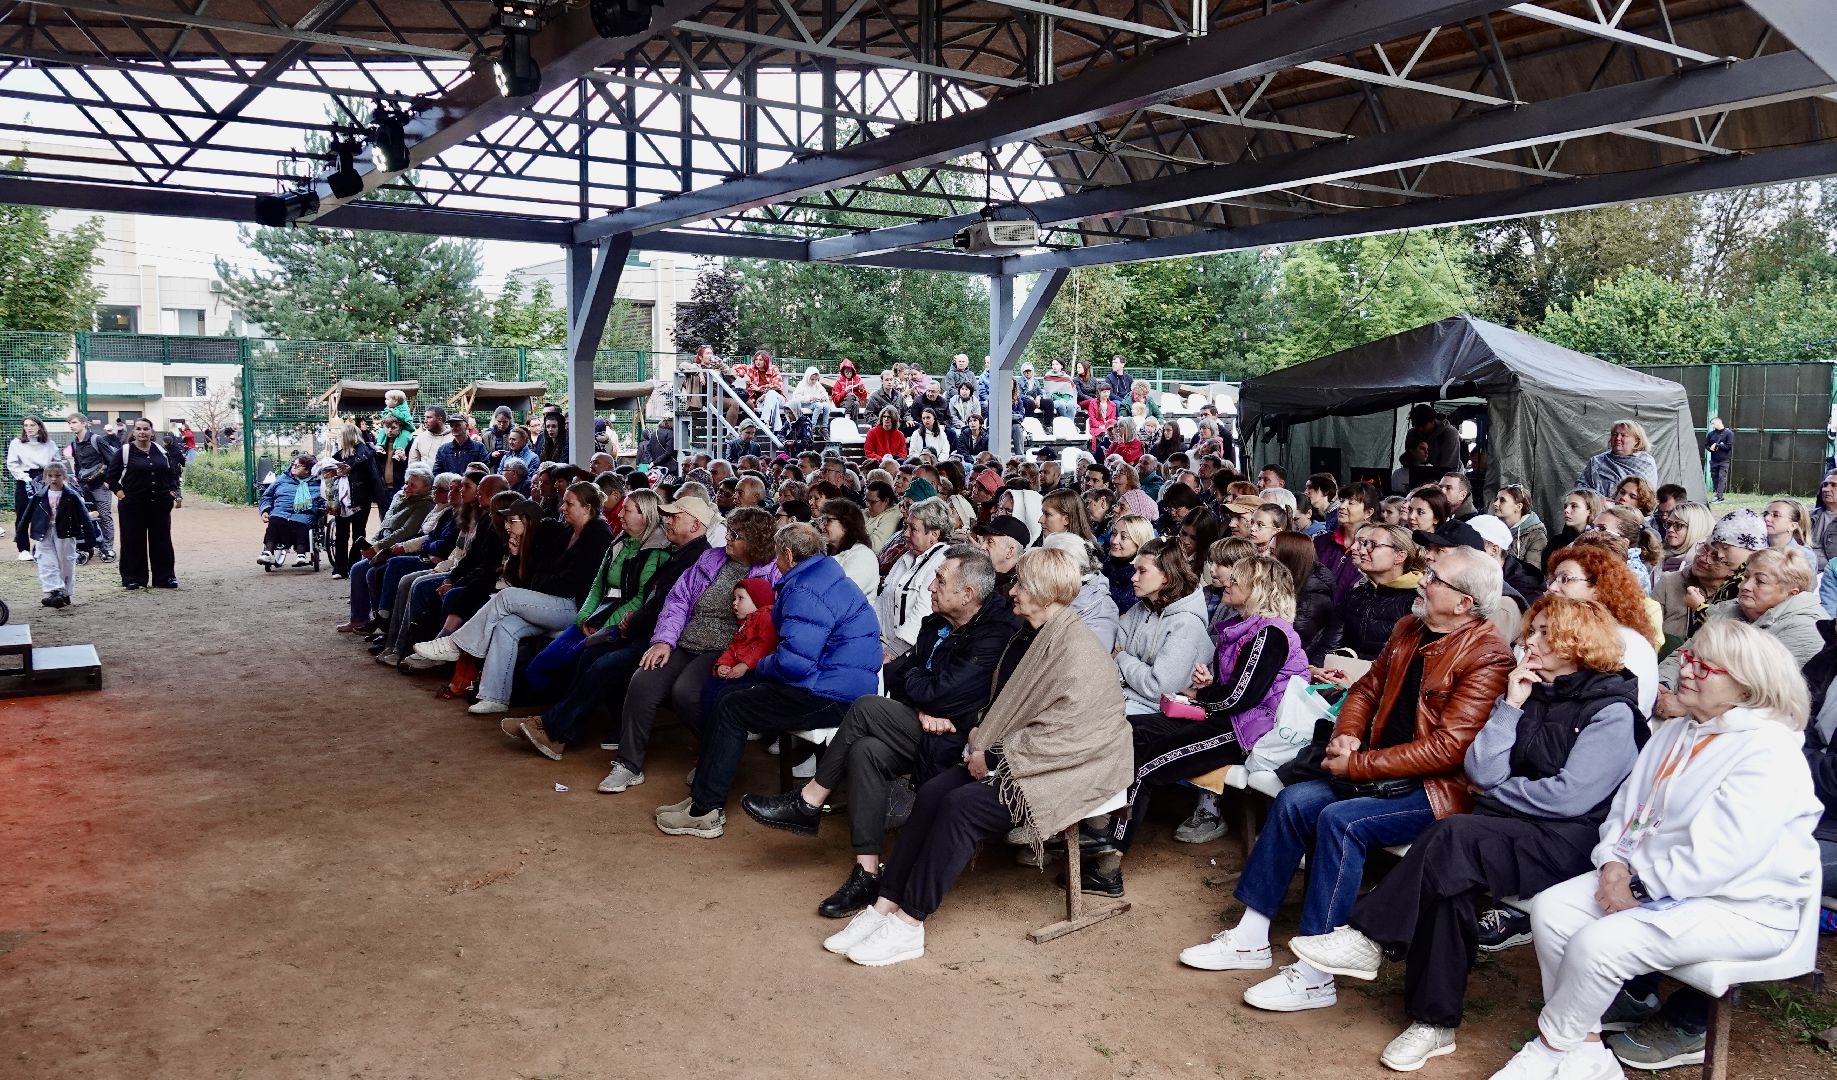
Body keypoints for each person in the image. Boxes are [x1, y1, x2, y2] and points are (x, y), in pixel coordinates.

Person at [1290, 597, 1642, 1074]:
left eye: (1541, 633)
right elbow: (1479, 766)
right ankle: (1433, 1024)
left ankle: (1371, 937)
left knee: (1453, 836)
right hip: (1509, 827)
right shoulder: (1527, 690)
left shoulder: (1610, 711)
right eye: (1530, 631)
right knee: (1451, 878)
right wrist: (1512, 706)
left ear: (1574, 644)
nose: (1527, 641)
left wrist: (1497, 792)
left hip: (1571, 841)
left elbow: (1568, 798)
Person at [1180, 547, 1514, 1015]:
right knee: (1296, 801)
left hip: (1436, 791)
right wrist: (1348, 736)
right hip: (1377, 772)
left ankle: (1317, 973)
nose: (1422, 580)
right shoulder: (1409, 629)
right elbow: (1364, 690)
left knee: (1341, 821)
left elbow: (1448, 751)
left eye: (1434, 578)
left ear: (1463, 603)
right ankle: (1251, 937)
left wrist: (1356, 766)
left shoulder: (1487, 656)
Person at [1487, 620, 1821, 1080]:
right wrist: (1611, 862)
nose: (1686, 670)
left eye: (1704, 667)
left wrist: (1640, 889)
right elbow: (1627, 807)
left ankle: (1548, 1048)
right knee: (1552, 911)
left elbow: (1723, 854)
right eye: (1689, 658)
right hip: (1651, 881)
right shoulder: (1679, 729)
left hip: (1742, 906)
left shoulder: (1768, 752)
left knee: (1600, 945)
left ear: (1744, 687)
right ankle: (1586, 1053)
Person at [822, 547, 1130, 967]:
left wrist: (995, 754)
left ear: (1042, 593)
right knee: (933, 793)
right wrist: (981, 738)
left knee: (961, 808)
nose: (1012, 591)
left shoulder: (1074, 650)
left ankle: (910, 923)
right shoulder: (1034, 634)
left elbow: (1069, 733)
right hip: (1023, 755)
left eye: (1020, 584)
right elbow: (1007, 703)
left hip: (1067, 768)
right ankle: (885, 906)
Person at [742, 542, 1020, 913]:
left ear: (967, 594)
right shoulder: (938, 622)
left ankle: (809, 801)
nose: (930, 587)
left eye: (939, 580)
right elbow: (893, 671)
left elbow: (944, 691)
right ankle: (867, 873)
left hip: (959, 740)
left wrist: (928, 693)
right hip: (925, 726)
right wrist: (925, 702)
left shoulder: (995, 633)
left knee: (865, 708)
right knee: (865, 752)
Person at [658, 523, 883, 839]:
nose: (775, 562)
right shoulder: (824, 577)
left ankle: (705, 811)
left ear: (789, 555)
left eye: (778, 555)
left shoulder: (806, 590)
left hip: (832, 695)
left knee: (732, 706)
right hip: (833, 685)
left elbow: (793, 662)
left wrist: (760, 667)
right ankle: (701, 799)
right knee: (729, 699)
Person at [1105, 556, 1305, 876]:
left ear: (1258, 591)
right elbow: (1238, 691)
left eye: (1236, 581)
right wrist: (1206, 692)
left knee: (1145, 763)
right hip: (1228, 719)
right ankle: (1098, 829)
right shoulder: (1248, 630)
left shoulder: (1271, 634)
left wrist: (1200, 700)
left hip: (1245, 733)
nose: (1226, 583)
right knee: (1131, 729)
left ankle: (1109, 859)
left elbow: (1241, 700)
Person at [598, 505, 781, 793]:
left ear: (755, 540)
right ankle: (628, 764)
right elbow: (678, 600)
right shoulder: (711, 558)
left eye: (735, 534)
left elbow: (770, 621)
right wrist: (663, 641)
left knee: (685, 693)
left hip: (725, 650)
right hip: (684, 640)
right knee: (643, 680)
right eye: (729, 531)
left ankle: (716, 754)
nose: (727, 538)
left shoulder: (772, 572)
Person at [413, 481, 615, 713]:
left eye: (569, 503)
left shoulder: (598, 535)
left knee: (507, 597)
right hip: (554, 601)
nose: (562, 508)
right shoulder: (569, 531)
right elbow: (544, 570)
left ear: (587, 508)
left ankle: (455, 644)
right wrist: (540, 576)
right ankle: (494, 696)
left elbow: (573, 583)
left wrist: (543, 579)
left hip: (577, 609)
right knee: (506, 626)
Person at [1656, 549, 1824, 721]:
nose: (1744, 586)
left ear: (1791, 593)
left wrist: (1686, 706)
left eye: (1760, 581)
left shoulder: (1805, 629)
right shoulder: (1733, 609)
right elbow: (1685, 653)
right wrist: (1663, 685)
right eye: (1746, 577)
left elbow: (1760, 694)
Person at [1543, 544, 1661, 712]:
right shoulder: (1572, 631)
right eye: (1553, 579)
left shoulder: (1626, 644)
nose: (1552, 587)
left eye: (1565, 579)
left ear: (1598, 589)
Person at [1316, 524, 1424, 675]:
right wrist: (1317, 671)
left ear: (1399, 556)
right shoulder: (1355, 595)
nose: (1362, 551)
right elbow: (1328, 645)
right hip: (1340, 681)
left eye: (1372, 545)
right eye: (1364, 544)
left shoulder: (1418, 602)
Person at [106, 418, 183, 590]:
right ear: (133, 432)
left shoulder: (161, 451)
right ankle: (133, 578)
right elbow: (110, 477)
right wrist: (120, 494)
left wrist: (172, 491)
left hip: (159, 504)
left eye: (146, 429)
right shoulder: (124, 452)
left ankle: (165, 578)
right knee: (132, 541)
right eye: (139, 429)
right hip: (132, 505)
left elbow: (172, 473)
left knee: (162, 540)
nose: (142, 432)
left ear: (152, 432)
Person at [874, 497, 953, 659]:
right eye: (906, 527)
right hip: (881, 642)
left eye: (913, 529)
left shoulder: (942, 560)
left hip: (909, 653)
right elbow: (883, 600)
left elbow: (922, 613)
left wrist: (892, 653)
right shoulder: (908, 556)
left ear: (934, 534)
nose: (905, 534)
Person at [23, 461, 93, 608]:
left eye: (57, 476)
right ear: (45, 477)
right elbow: (27, 515)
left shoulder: (71, 495)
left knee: (66, 562)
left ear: (64, 477)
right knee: (46, 561)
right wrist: (20, 533)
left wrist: (90, 537)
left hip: (65, 532)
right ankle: (54, 592)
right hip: (44, 531)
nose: (53, 479)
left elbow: (84, 516)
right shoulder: (40, 495)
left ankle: (65, 593)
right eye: (50, 476)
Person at [1271, 530, 1340, 664]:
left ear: (1289, 558)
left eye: (1272, 553)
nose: (1264, 556)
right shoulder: (1280, 584)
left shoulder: (1312, 597)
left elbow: (1288, 645)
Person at [63, 414, 116, 562]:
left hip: (100, 486)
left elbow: (112, 460)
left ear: (84, 423)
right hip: (85, 486)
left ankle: (108, 548)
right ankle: (92, 544)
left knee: (104, 516)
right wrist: (79, 483)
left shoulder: (96, 439)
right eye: (70, 423)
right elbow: (78, 465)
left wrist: (108, 481)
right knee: (90, 517)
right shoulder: (74, 444)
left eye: (74, 422)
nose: (71, 425)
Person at [256, 454, 324, 567]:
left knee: (302, 523)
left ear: (307, 470)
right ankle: (268, 552)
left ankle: (301, 554)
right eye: (293, 465)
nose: (293, 467)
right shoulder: (282, 479)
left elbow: (324, 500)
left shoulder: (318, 483)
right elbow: (267, 496)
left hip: (304, 514)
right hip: (280, 513)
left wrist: (321, 509)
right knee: (274, 522)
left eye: (297, 466)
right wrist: (265, 510)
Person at [9, 416, 60, 560]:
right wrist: (24, 478)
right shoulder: (17, 443)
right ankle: (23, 549)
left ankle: (43, 546)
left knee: (47, 513)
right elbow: (12, 464)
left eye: (32, 425)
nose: (29, 428)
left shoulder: (49, 444)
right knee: (23, 514)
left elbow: (57, 462)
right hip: (25, 479)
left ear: (39, 426)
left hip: (45, 478)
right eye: (26, 425)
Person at [1577, 420, 1659, 500]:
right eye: (1614, 434)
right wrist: (1598, 499)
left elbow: (1646, 495)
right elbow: (1580, 487)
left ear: (1636, 441)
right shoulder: (1597, 461)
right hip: (1596, 508)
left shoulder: (1646, 462)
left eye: (1623, 435)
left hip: (1631, 511)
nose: (1617, 438)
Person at [1489, 484, 1547, 573]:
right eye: (1496, 499)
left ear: (1518, 507)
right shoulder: (1491, 528)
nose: (1495, 503)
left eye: (1502, 500)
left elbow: (1531, 573)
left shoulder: (1537, 536)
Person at [1546, 489, 1604, 572]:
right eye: (1565, 506)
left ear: (1590, 511)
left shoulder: (1599, 544)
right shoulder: (1555, 543)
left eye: (1574, 506)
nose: (1566, 510)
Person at [1656, 500, 1713, 574]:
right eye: (1669, 524)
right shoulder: (1660, 554)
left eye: (1678, 525)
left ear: (1696, 528)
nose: (1670, 529)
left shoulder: (1702, 566)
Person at [1763, 497, 1817, 568]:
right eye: (1765, 514)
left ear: (1792, 526)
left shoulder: (1804, 556)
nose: (1766, 518)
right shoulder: (1753, 547)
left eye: (1776, 515)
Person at [1409, 405, 1463, 471]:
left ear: (1433, 421)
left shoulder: (1449, 433)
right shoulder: (1412, 433)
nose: (1420, 429)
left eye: (1423, 425)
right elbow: (1409, 459)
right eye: (1417, 425)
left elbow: (1448, 468)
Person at [1704, 416, 1732, 502]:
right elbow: (1706, 445)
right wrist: (1710, 448)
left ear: (1718, 422)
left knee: (1721, 477)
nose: (1712, 425)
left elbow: (1729, 446)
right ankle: (1719, 495)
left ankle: (1719, 497)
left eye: (1713, 423)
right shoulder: (1711, 434)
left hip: (1724, 460)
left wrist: (1718, 445)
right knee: (1714, 477)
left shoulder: (1729, 433)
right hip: (1714, 460)